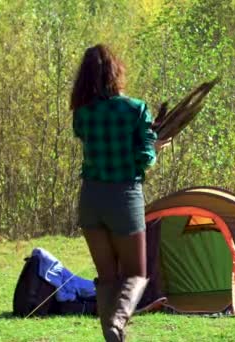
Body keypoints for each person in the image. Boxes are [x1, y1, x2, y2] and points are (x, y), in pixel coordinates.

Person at [70, 44, 169, 341]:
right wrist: (155, 147)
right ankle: (117, 324)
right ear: (115, 72)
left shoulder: (82, 114)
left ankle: (113, 336)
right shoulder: (136, 109)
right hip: (123, 197)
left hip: (90, 199)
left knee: (108, 278)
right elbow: (144, 157)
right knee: (136, 274)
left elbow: (89, 138)